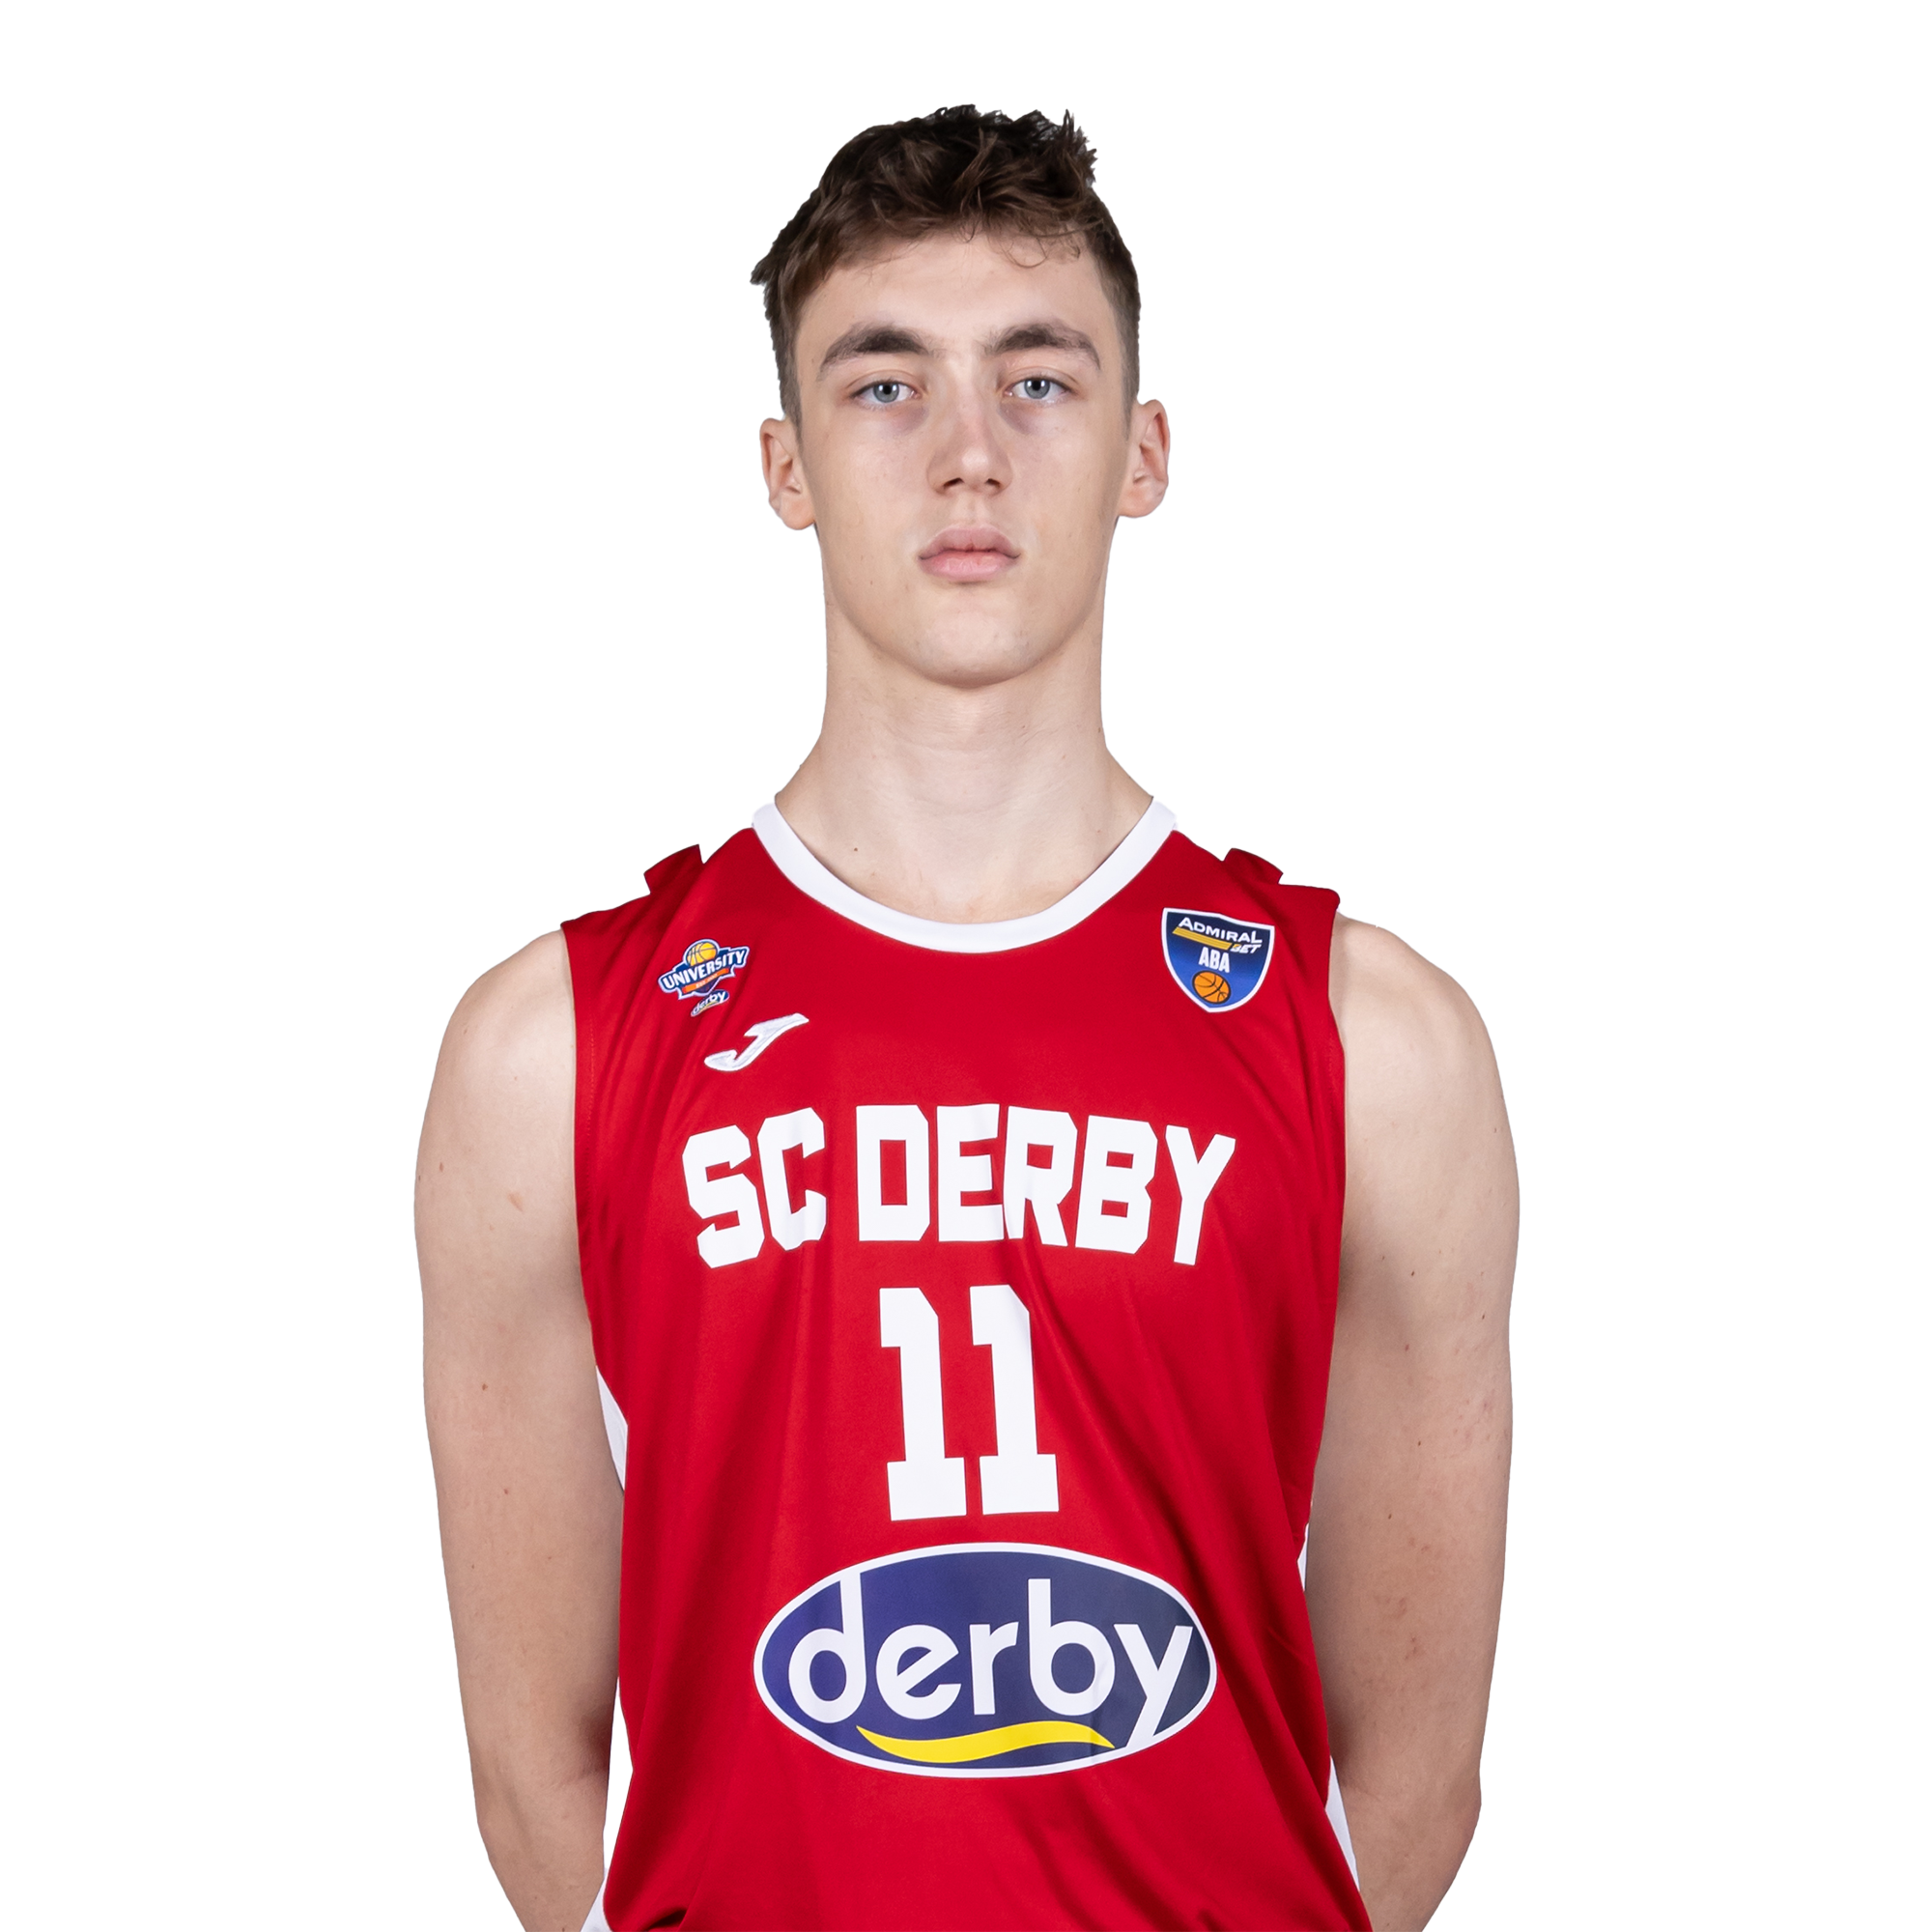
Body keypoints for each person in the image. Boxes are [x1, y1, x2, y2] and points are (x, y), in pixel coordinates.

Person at [417, 106, 1517, 1932]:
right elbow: (537, 1779)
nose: (968, 456)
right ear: (786, 467)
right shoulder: (553, 1051)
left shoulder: (1370, 1043)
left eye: (1038, 380)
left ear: (1142, 450)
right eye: (884, 385)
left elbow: (1413, 1779)